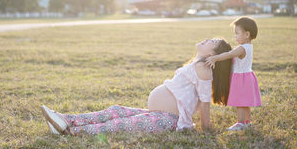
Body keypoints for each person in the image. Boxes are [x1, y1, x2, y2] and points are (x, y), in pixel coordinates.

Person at [41, 38, 232, 135]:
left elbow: (205, 103)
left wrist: (206, 130)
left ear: (213, 55)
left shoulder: (204, 69)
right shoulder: (195, 65)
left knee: (116, 125)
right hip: (159, 114)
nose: (207, 39)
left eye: (212, 42)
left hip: (168, 120)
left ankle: (68, 131)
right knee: (116, 110)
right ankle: (65, 119)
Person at [205, 16, 261, 131]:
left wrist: (215, 58)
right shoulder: (248, 46)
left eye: (237, 33)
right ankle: (247, 122)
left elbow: (229, 54)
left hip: (241, 78)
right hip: (247, 76)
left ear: (247, 34)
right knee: (245, 102)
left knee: (240, 102)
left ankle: (240, 123)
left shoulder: (241, 48)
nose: (235, 36)